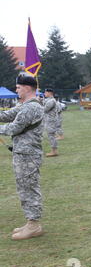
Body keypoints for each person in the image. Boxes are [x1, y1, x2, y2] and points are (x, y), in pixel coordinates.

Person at [0, 75, 45, 240]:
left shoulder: (31, 108)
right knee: (24, 187)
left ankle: (34, 225)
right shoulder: (26, 105)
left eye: (18, 87)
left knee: (29, 188)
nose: (16, 90)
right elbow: (8, 115)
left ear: (27, 88)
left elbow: (14, 127)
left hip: (28, 154)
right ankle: (30, 221)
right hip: (23, 153)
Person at [43, 88, 59, 157]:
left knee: (51, 136)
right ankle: (54, 150)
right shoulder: (49, 100)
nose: (44, 93)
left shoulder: (51, 101)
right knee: (51, 136)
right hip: (49, 120)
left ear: (50, 93)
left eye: (46, 92)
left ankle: (54, 151)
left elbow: (45, 109)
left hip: (51, 121)